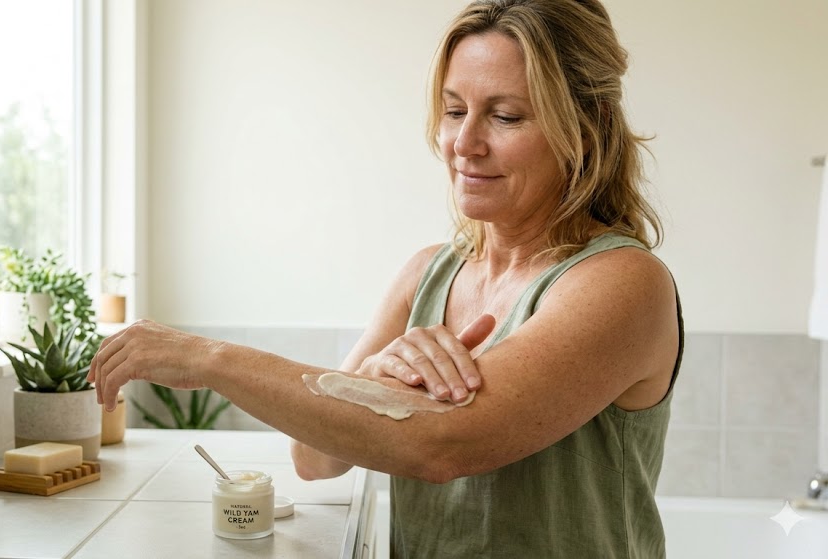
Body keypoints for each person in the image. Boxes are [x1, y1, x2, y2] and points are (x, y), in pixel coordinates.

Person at [89, 0, 682, 556]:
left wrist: (207, 359)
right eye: (454, 110)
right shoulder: (428, 272)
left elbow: (439, 445)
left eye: (506, 116)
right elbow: (314, 459)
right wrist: (371, 379)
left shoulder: (623, 283)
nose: (463, 143)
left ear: (588, 122)